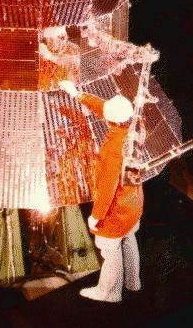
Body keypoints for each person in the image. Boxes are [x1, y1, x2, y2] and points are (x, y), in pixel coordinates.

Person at [59, 79, 143, 303]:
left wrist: (96, 216)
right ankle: (133, 282)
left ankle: (109, 292)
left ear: (112, 120)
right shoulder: (135, 125)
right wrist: (77, 94)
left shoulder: (113, 149)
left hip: (115, 210)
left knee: (110, 249)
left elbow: (107, 188)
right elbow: (106, 110)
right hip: (133, 204)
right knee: (128, 238)